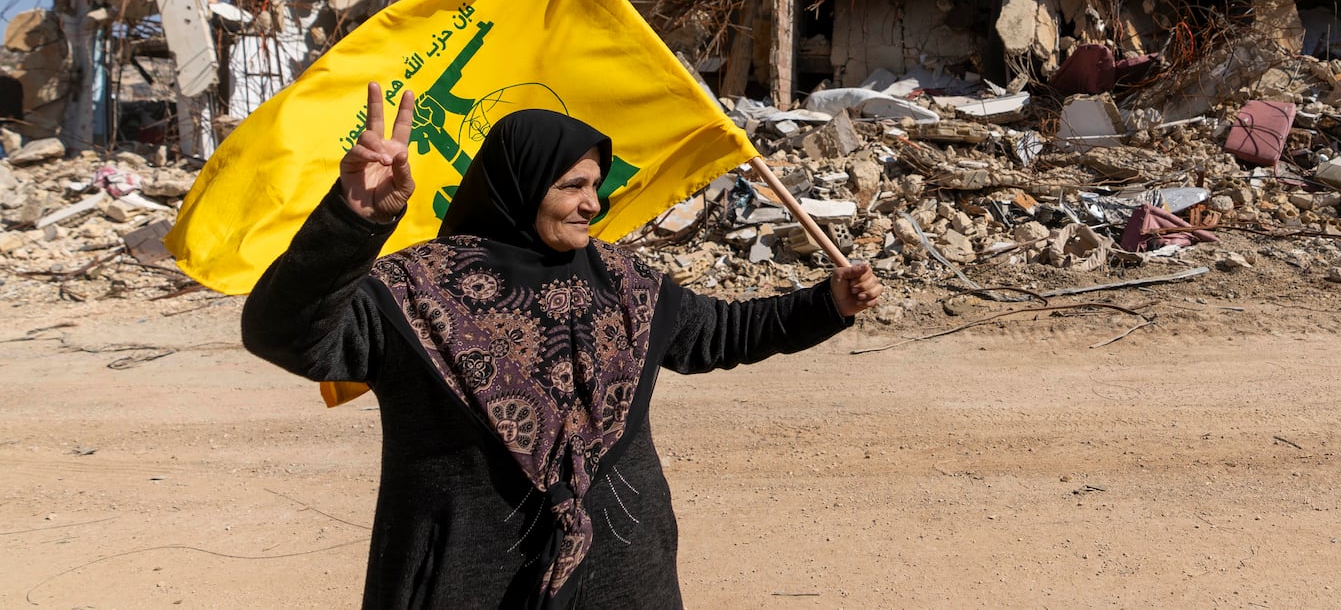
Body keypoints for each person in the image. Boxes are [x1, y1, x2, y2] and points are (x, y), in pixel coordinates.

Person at [241, 83, 881, 609]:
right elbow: (286, 334)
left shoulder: (625, 281)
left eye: (595, 186)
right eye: (572, 186)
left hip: (624, 577)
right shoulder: (411, 292)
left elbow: (721, 335)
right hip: (469, 578)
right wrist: (355, 219)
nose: (591, 205)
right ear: (520, 185)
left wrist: (827, 304)